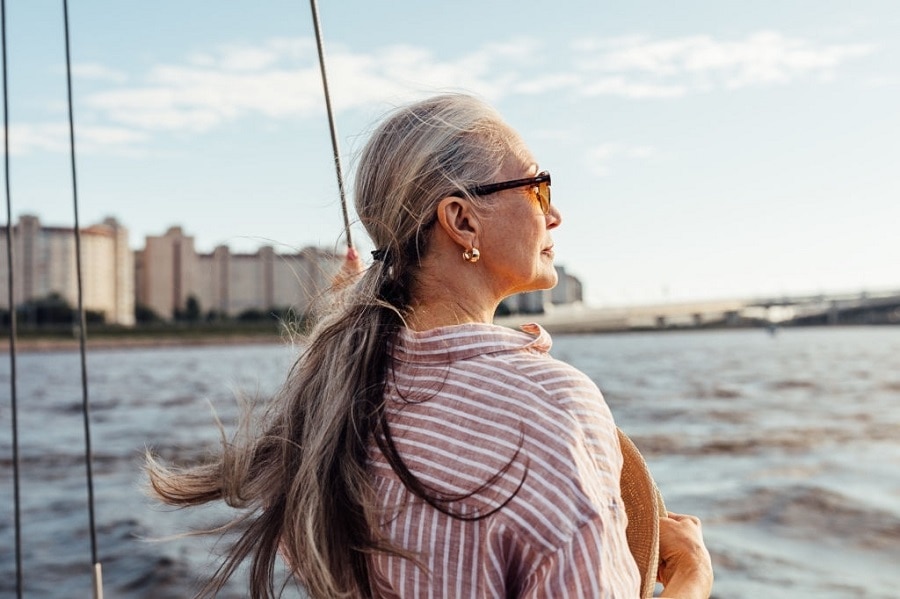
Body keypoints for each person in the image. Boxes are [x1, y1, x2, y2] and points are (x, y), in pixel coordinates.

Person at [147, 93, 713, 598]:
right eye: (538, 188)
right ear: (462, 221)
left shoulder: (334, 407)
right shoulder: (553, 404)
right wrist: (692, 579)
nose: (555, 214)